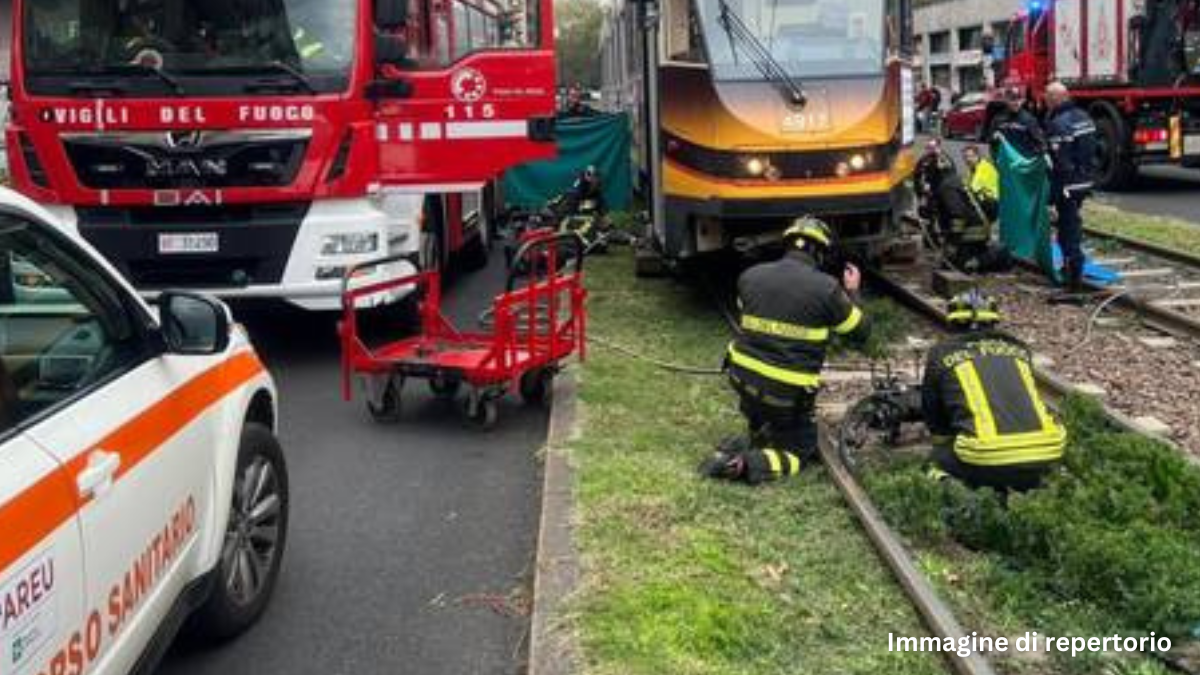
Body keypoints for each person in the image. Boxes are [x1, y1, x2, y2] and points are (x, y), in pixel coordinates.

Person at [701, 217, 872, 485]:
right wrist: (853, 292)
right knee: (799, 453)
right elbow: (860, 332)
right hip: (786, 398)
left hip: (742, 382)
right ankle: (743, 465)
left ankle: (750, 431)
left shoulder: (750, 276)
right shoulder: (827, 289)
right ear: (819, 252)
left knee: (765, 409)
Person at [921, 291, 1066, 492]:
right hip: (1047, 450)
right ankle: (1029, 484)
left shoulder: (941, 353)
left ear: (952, 323)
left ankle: (960, 503)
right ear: (994, 322)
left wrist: (942, 441)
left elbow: (932, 407)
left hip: (985, 454)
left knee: (933, 464)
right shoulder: (1020, 349)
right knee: (1015, 466)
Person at [915, 140, 1010, 272]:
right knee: (948, 263)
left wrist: (953, 244)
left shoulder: (946, 187)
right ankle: (978, 255)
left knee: (959, 266)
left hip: (971, 232)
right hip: (974, 227)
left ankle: (990, 256)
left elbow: (957, 215)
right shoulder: (953, 180)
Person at [1044, 81, 1098, 298]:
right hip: (1084, 180)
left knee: (1068, 231)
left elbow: (1060, 161)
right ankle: (1072, 275)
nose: (1046, 101)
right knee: (1071, 225)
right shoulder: (1084, 117)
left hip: (1068, 184)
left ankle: (1072, 283)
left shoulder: (1059, 122)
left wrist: (1055, 193)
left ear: (1057, 97)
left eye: (1048, 97)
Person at [990, 85, 1047, 160]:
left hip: (1024, 163)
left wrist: (1033, 158)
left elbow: (1041, 143)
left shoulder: (1029, 119)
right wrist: (994, 139)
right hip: (1007, 163)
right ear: (1006, 100)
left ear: (1022, 100)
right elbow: (992, 143)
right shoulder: (998, 120)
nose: (1016, 102)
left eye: (1018, 99)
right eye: (1012, 99)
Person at [962, 145, 1000, 221]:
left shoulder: (984, 167)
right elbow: (966, 182)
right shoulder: (973, 168)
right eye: (965, 157)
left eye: (971, 156)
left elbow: (973, 186)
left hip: (992, 203)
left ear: (977, 156)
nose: (968, 159)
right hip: (987, 201)